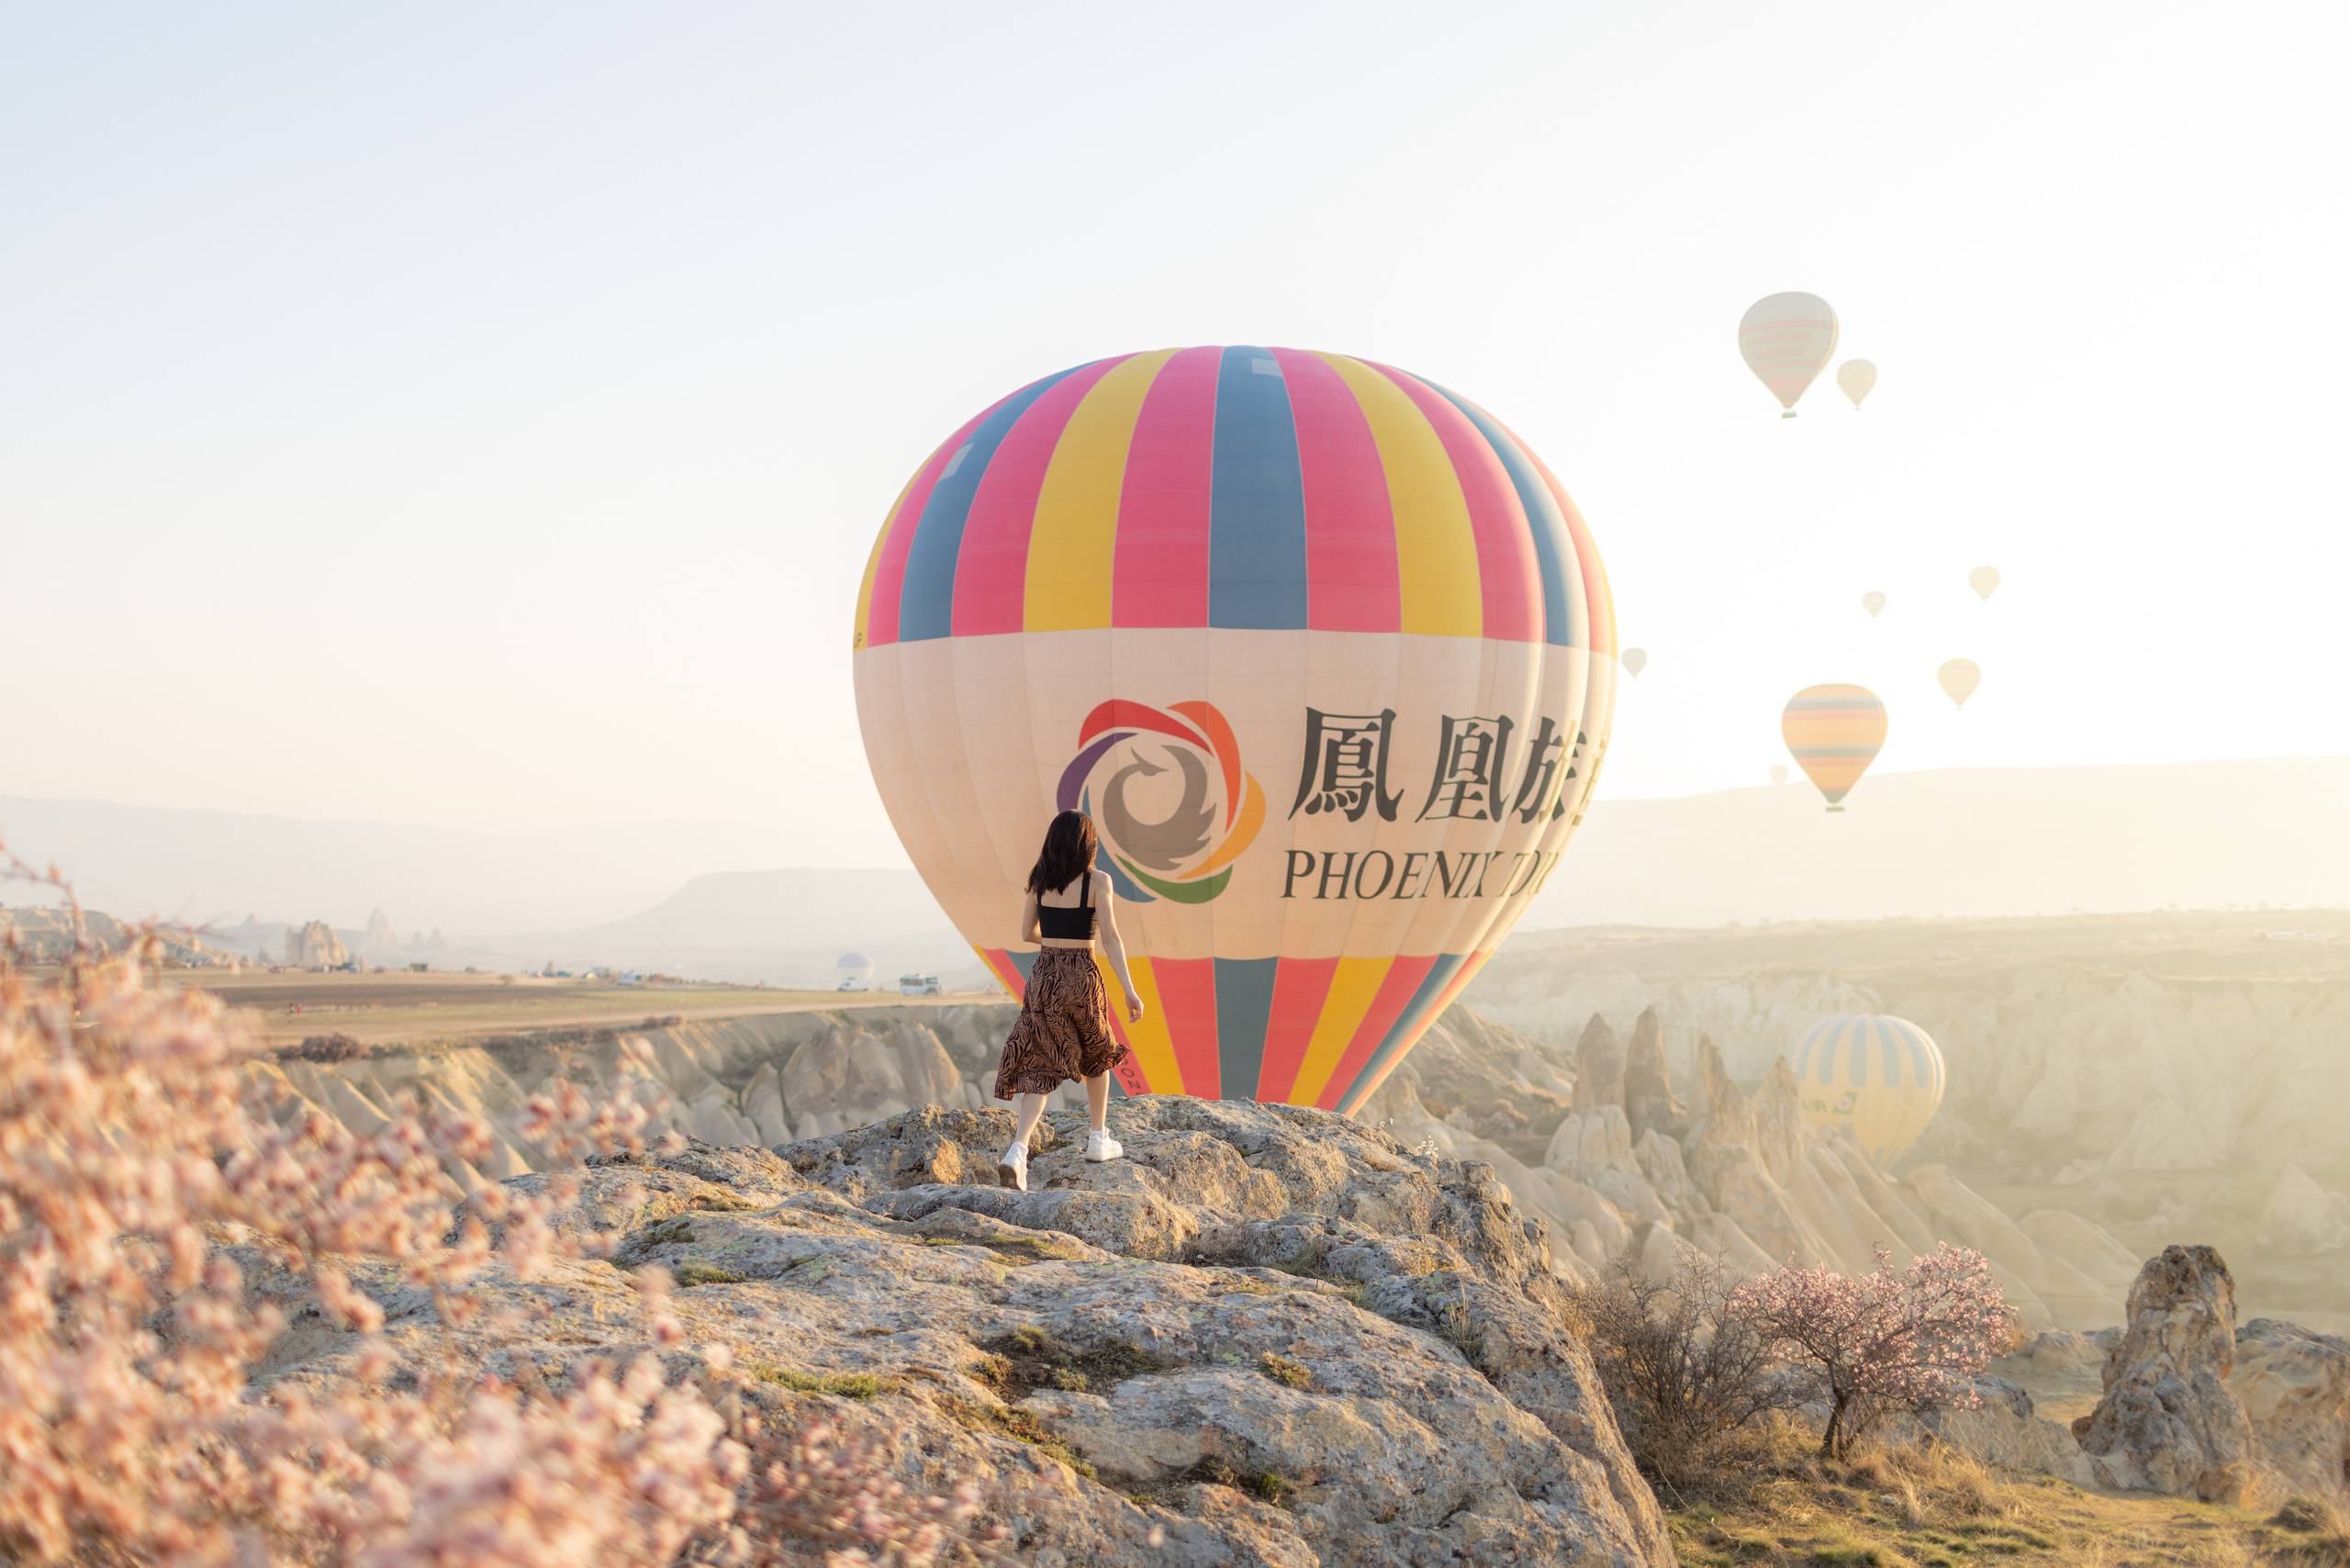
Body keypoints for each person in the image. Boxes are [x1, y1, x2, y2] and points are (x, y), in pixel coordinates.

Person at [992, 810, 1144, 1191]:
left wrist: (1054, 941)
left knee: (1039, 1065)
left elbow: (1026, 933)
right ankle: (1097, 1138)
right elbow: (1110, 938)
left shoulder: (1039, 881)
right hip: (1081, 975)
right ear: (1087, 843)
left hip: (1044, 976)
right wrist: (1129, 990)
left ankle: (1018, 1151)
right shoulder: (1098, 881)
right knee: (1097, 1053)